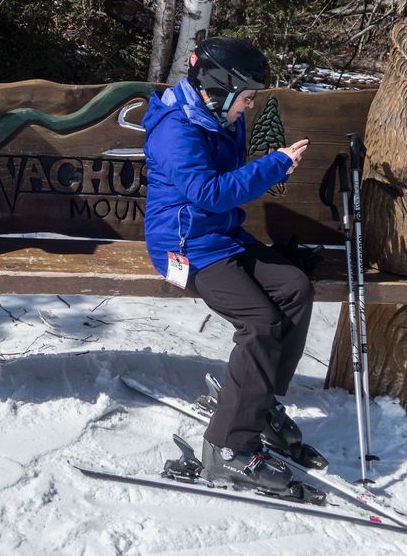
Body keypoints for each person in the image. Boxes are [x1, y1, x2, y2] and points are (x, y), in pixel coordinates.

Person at [142, 36, 313, 491]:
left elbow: (221, 194)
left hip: (221, 236)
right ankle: (229, 449)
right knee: (260, 323)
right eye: (248, 98)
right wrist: (273, 165)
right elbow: (209, 192)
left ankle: (259, 404)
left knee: (294, 286)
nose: (249, 108)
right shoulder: (176, 127)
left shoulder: (217, 116)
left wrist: (269, 166)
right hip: (186, 246)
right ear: (218, 89)